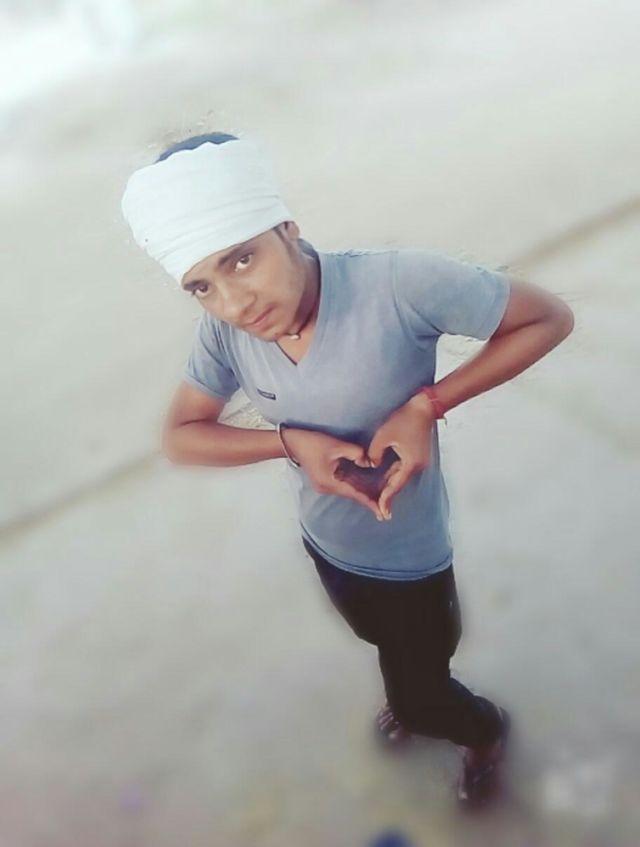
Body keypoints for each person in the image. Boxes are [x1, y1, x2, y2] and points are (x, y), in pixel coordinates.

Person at [120, 131, 574, 808]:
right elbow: (182, 435)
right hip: (328, 541)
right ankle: (413, 694)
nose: (235, 303)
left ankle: (480, 731)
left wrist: (426, 405)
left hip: (410, 556)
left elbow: (547, 319)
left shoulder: (397, 285)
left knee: (423, 679)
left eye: (242, 258)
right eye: (203, 286)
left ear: (287, 227)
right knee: (379, 639)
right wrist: (290, 443)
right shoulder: (226, 333)